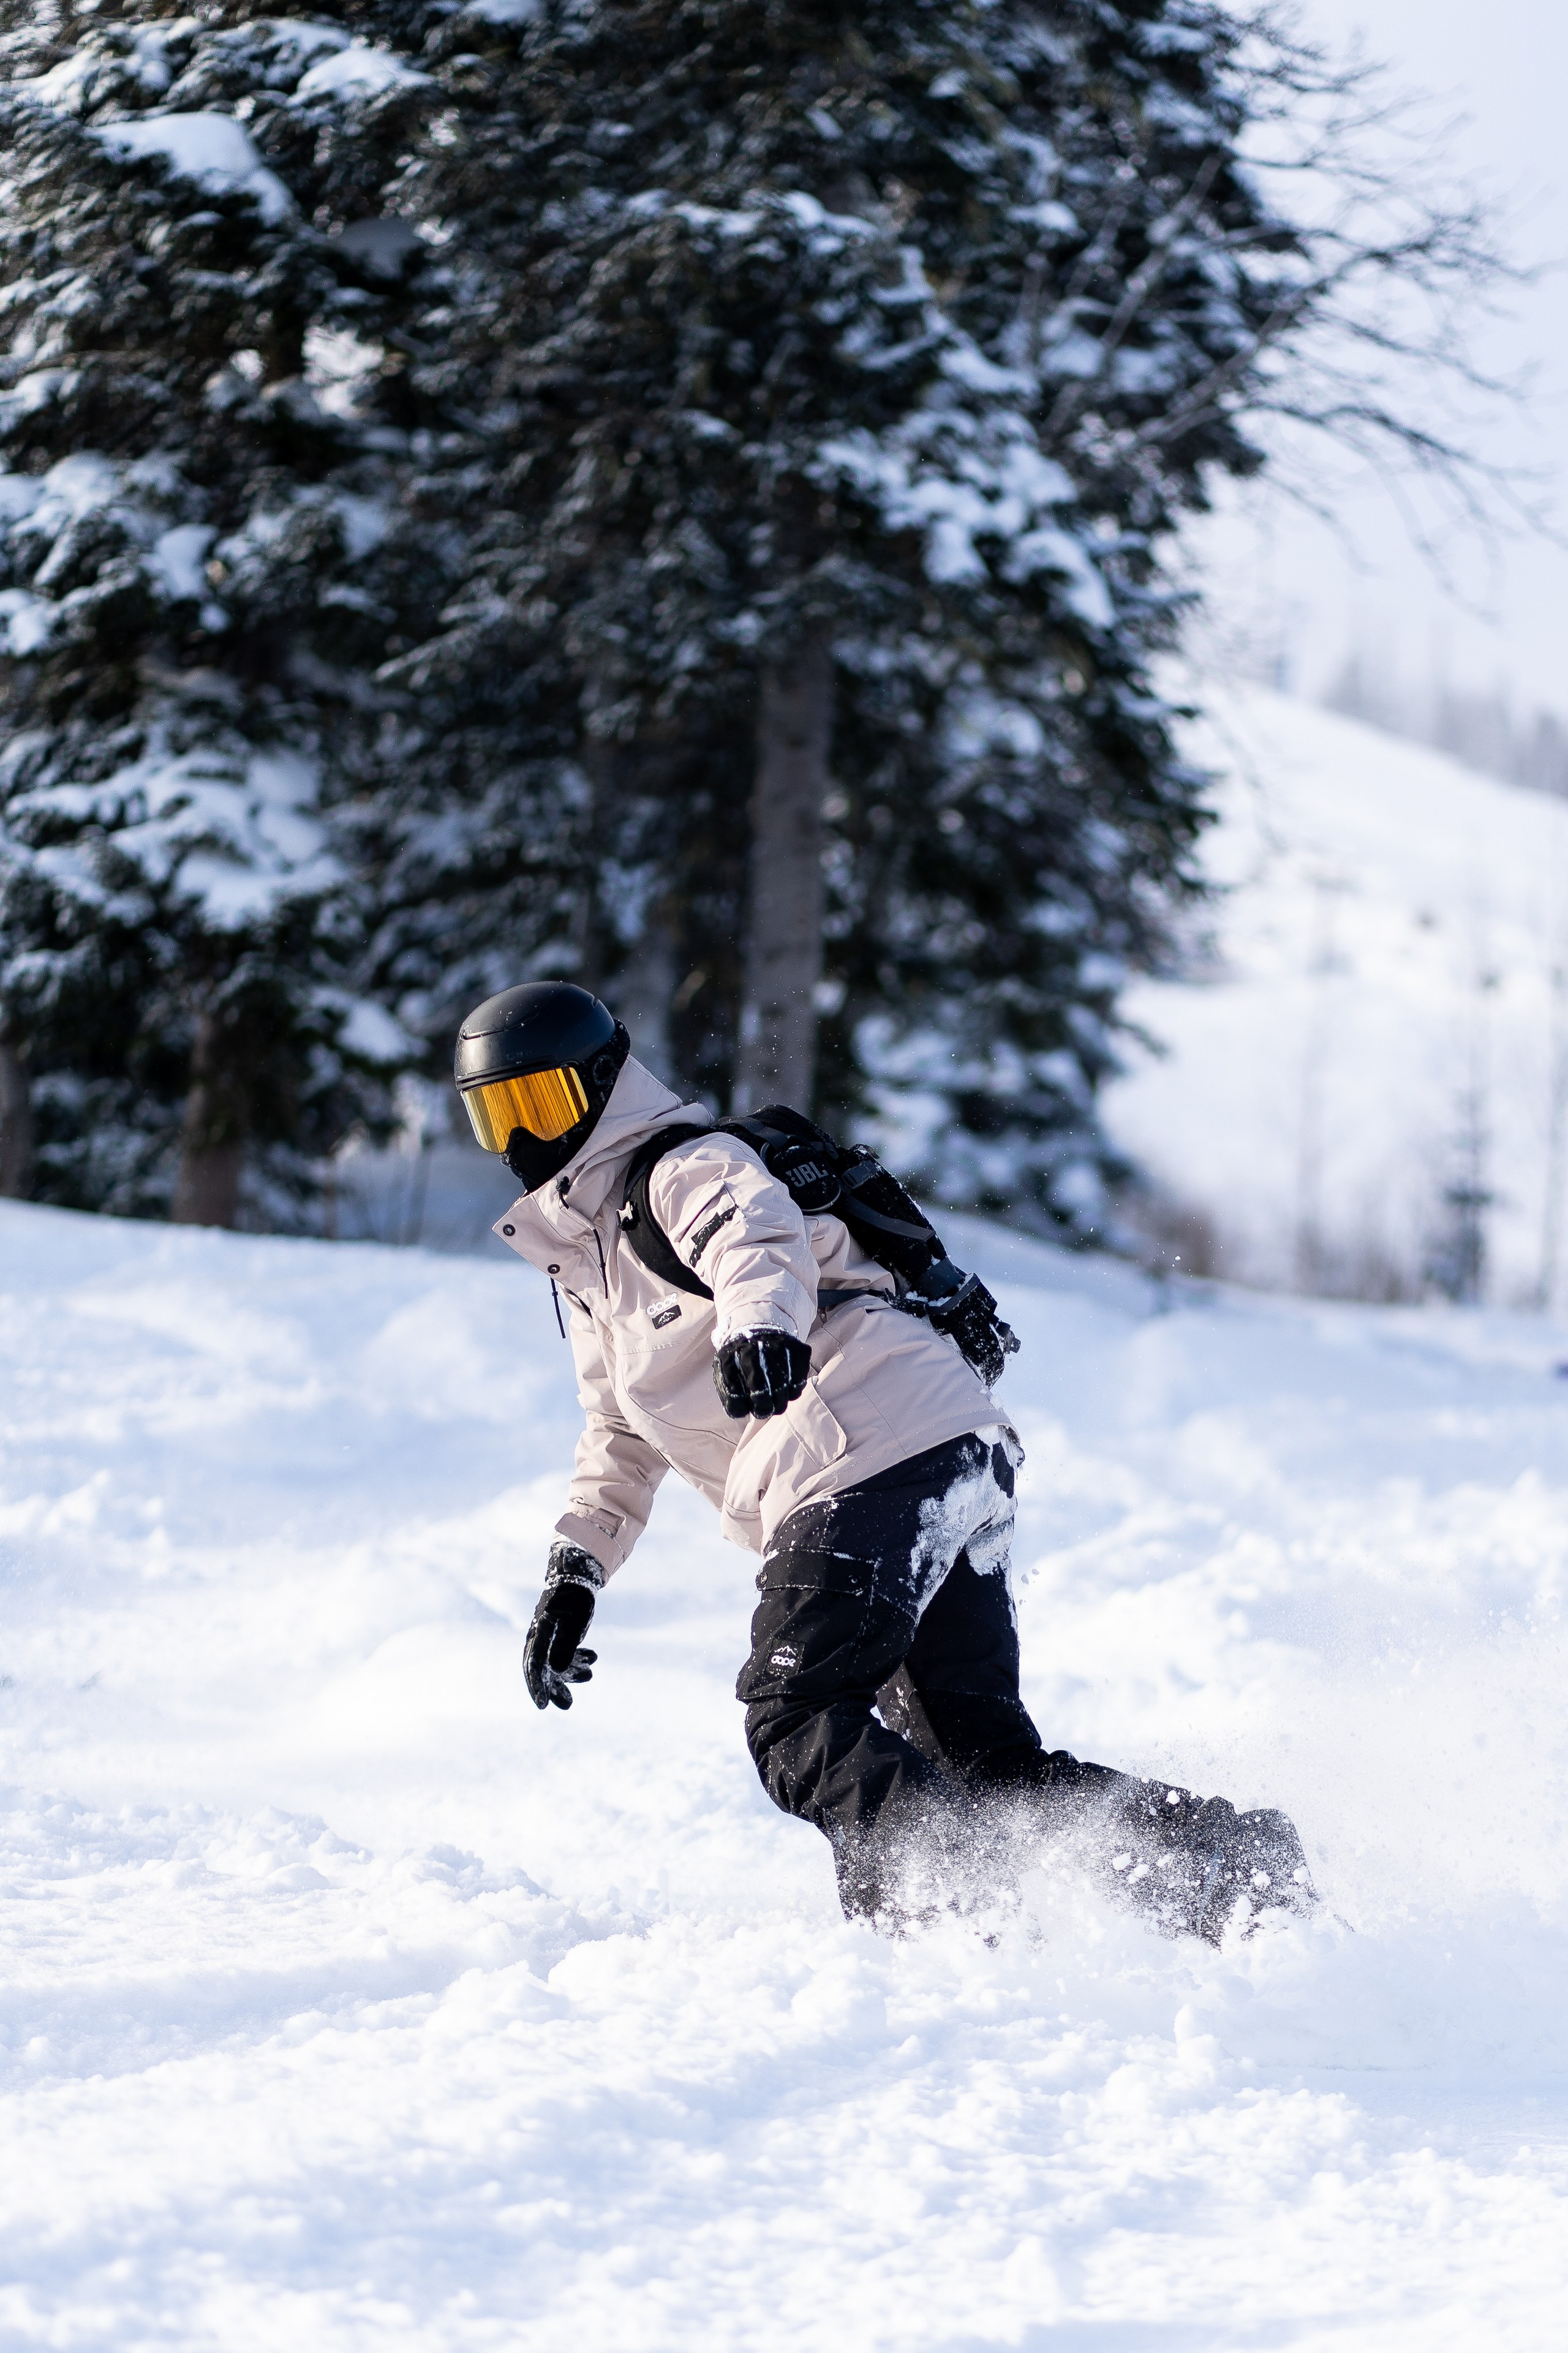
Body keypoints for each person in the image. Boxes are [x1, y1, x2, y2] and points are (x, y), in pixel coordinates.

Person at [458, 979, 1313, 1939]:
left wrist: (758, 1328)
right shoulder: (588, 1270)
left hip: (862, 1455)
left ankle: (954, 1915)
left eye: (546, 1101)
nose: (526, 1137)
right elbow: (616, 1431)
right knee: (980, 1759)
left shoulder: (682, 1167)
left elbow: (757, 1238)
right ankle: (1225, 1869)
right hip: (942, 1454)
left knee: (795, 1712)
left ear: (606, 1082)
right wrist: (578, 1568)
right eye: (498, 1113)